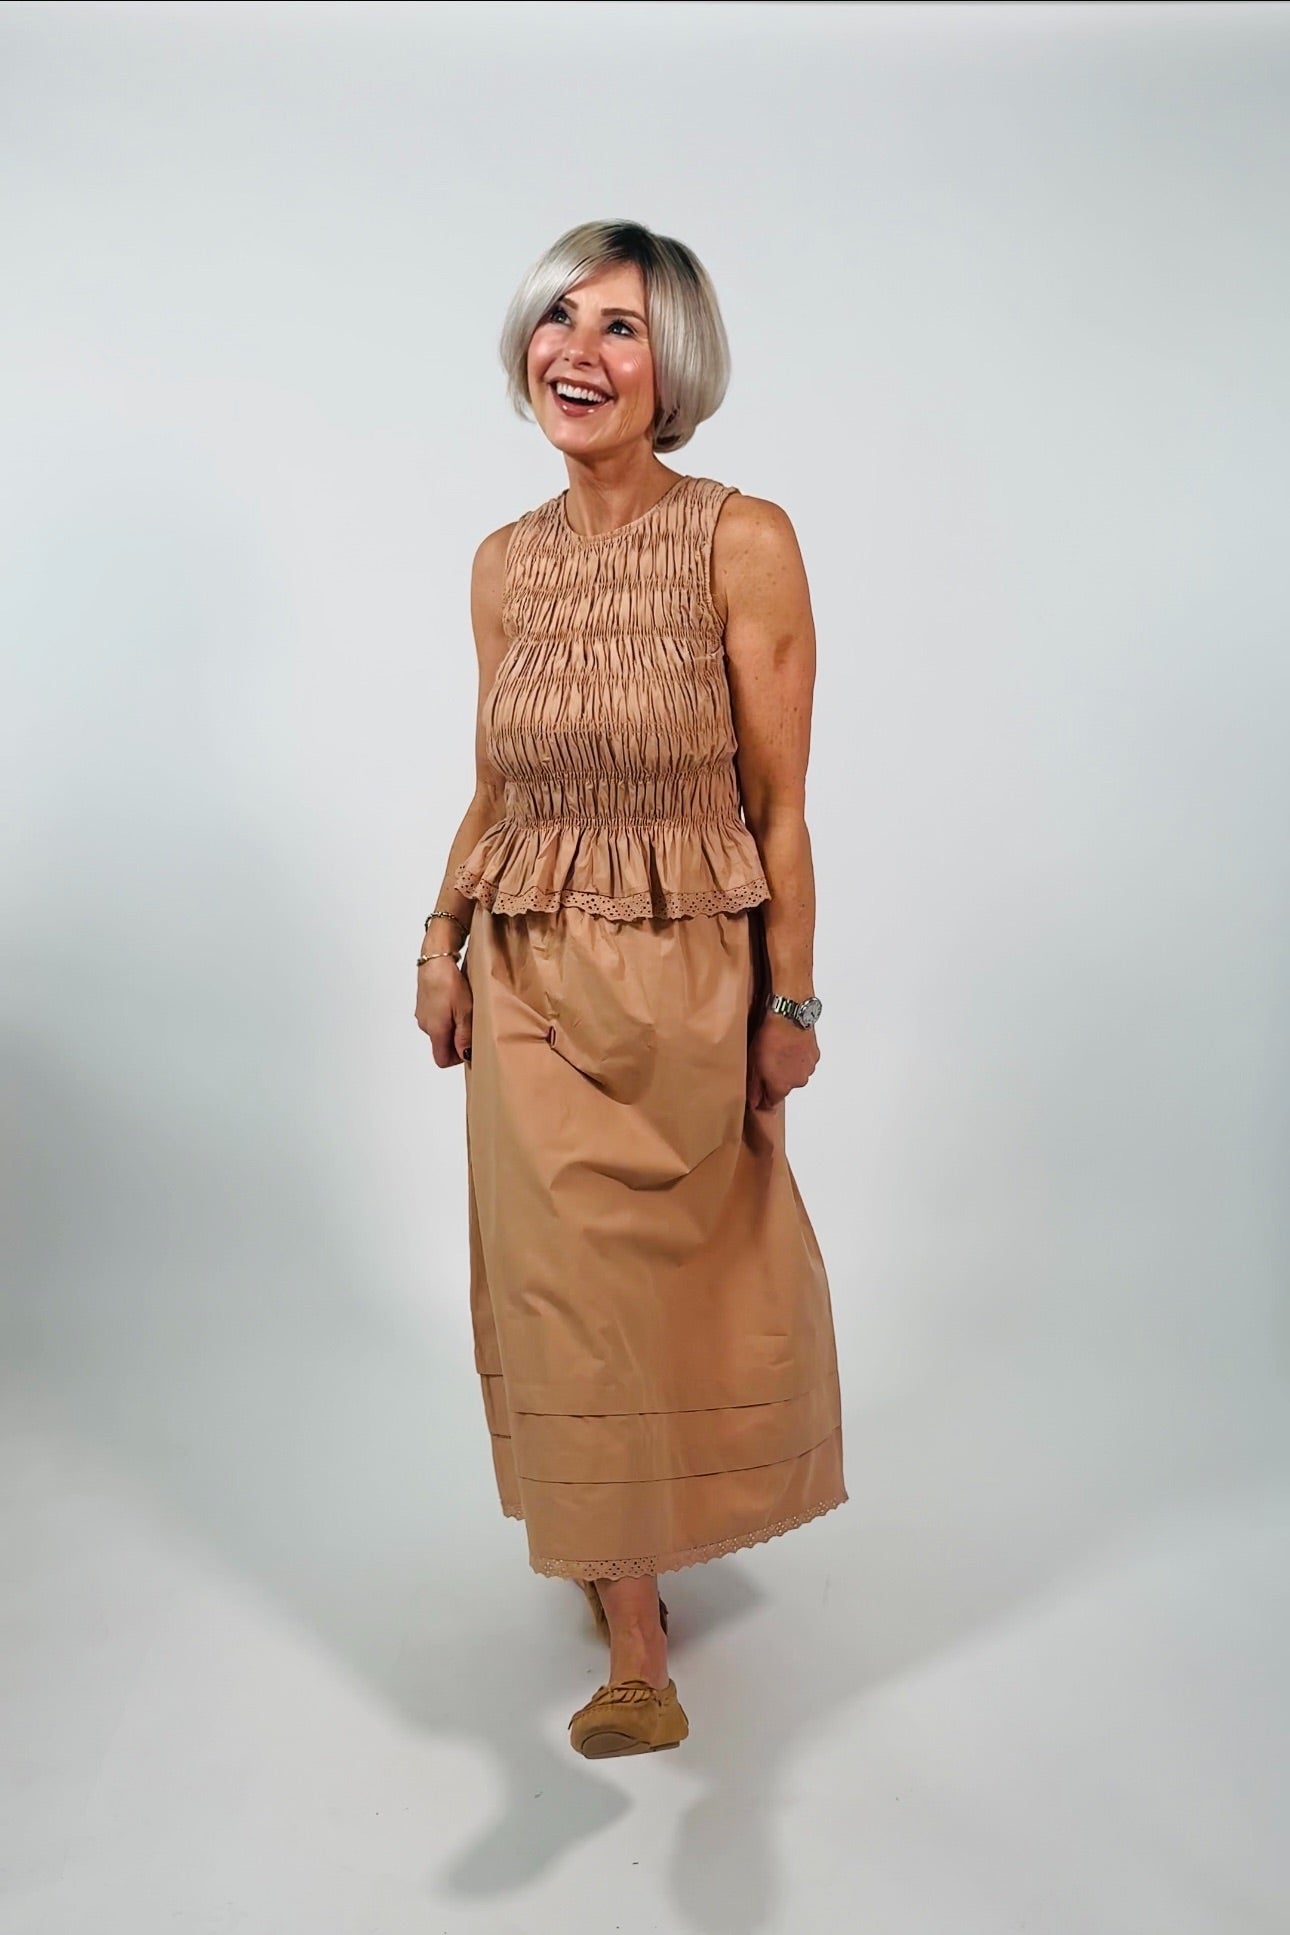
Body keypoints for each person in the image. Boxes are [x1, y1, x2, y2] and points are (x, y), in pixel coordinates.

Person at [415, 219, 846, 1758]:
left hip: (689, 978)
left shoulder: (743, 537)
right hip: (527, 961)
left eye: (621, 328)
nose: (577, 353)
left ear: (676, 370)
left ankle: (658, 1534)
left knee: (674, 1284)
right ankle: (634, 1644)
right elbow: (495, 781)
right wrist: (438, 940)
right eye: (560, 319)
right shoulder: (502, 563)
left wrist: (791, 1007)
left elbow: (780, 804)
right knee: (564, 1292)